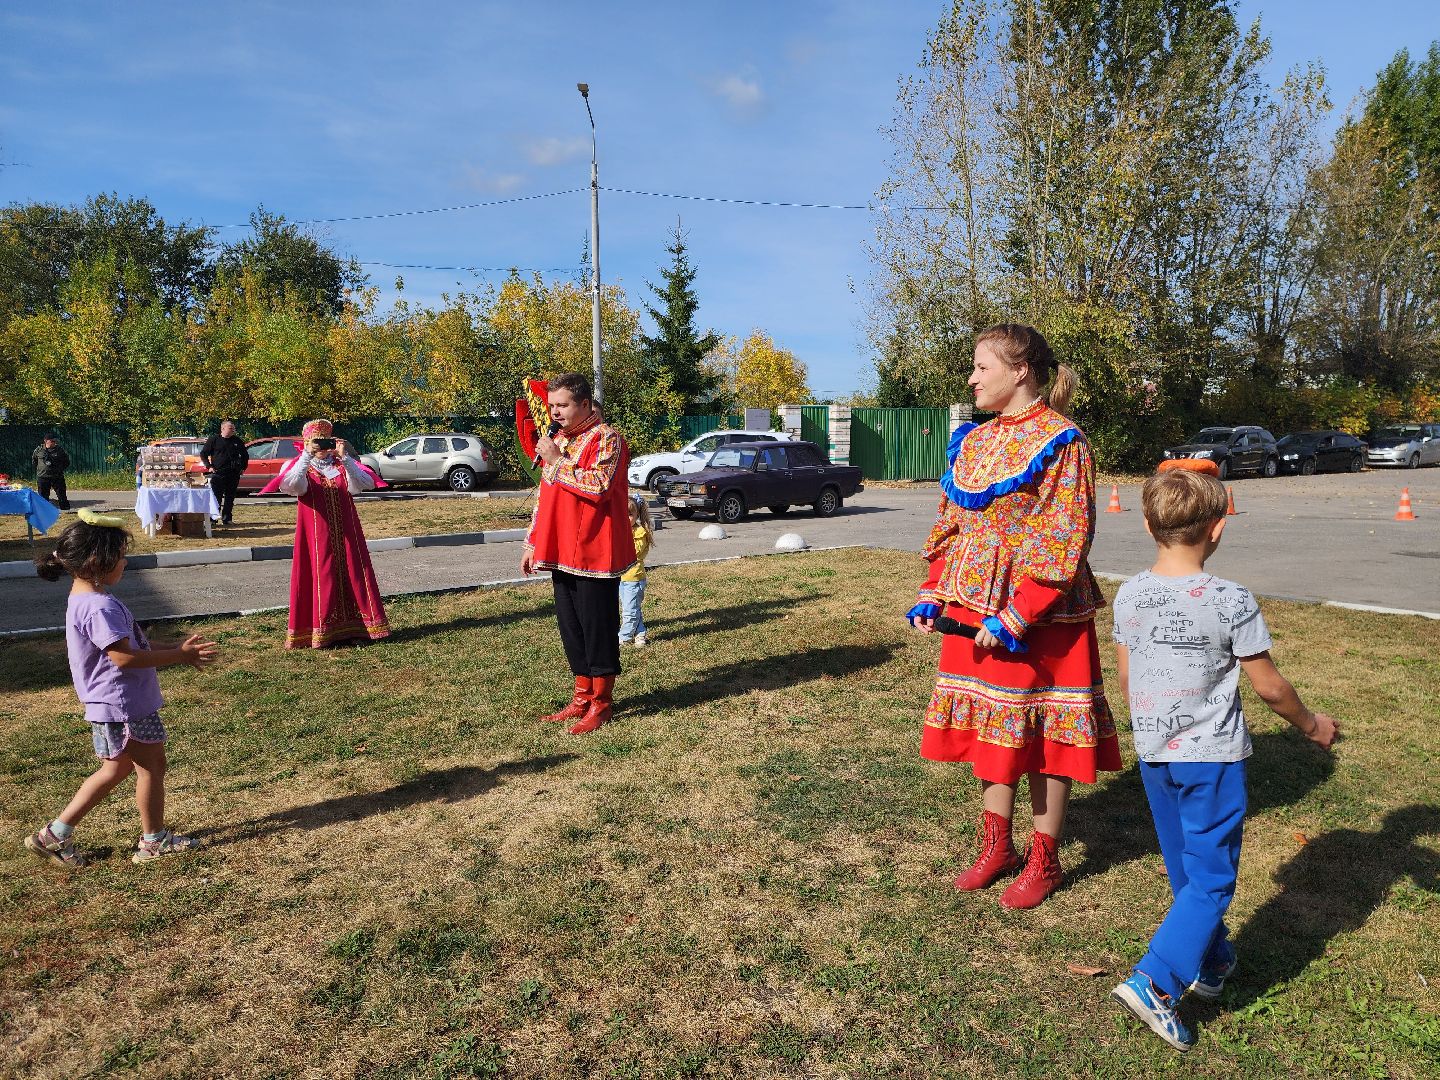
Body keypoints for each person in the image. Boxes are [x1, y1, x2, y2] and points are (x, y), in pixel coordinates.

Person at [1109, 467, 1339, 1052]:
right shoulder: (1231, 601)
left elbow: (1128, 674)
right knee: (1212, 878)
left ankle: (1211, 962)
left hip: (1154, 752)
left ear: (1147, 525)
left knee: (1187, 868)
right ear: (1218, 529)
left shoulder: (1130, 593)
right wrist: (1311, 724)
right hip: (1210, 760)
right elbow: (1270, 687)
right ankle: (1155, 981)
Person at [907, 323, 1120, 909]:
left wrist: (1019, 612)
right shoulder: (972, 441)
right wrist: (933, 590)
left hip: (1040, 617)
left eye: (981, 366)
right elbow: (950, 522)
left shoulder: (1064, 441)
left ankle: (1044, 860)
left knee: (1045, 737)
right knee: (994, 731)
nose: (972, 378)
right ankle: (995, 846)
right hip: (973, 610)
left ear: (1019, 370)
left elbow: (1065, 537)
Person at [26, 509, 218, 867]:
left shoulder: (84, 598)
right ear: (99, 561)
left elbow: (134, 646)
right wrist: (177, 655)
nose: (126, 563)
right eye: (122, 557)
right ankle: (154, 841)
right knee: (151, 766)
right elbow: (124, 659)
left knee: (115, 769)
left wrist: (177, 651)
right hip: (125, 705)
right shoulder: (99, 607)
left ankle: (54, 834)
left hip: (111, 704)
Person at [522, 373, 636, 735]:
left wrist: (556, 461)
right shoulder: (559, 439)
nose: (554, 412)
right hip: (560, 546)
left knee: (596, 625)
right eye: (551, 405)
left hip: (594, 548)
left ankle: (602, 702)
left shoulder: (607, 438)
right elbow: (545, 494)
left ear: (585, 404)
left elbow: (599, 486)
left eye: (562, 405)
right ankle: (581, 696)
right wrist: (532, 540)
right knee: (571, 626)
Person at [276, 419, 390, 648]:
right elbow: (292, 487)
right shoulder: (299, 465)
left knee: (354, 574)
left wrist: (345, 458)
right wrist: (306, 456)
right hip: (315, 536)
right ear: (307, 442)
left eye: (325, 441)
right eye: (317, 442)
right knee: (321, 576)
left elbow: (362, 485)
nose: (322, 447)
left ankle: (361, 628)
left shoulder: (341, 465)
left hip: (348, 532)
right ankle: (323, 631)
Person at [619, 495, 654, 648]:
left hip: (634, 578)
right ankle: (640, 634)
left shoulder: (639, 532)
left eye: (629, 514)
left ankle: (624, 637)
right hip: (621, 578)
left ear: (637, 515)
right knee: (632, 608)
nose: (625, 518)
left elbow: (634, 552)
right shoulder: (620, 530)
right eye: (622, 514)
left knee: (629, 611)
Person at [201, 420, 250, 525]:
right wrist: (209, 466)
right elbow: (203, 454)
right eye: (230, 428)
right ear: (223, 429)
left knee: (230, 497)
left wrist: (243, 467)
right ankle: (213, 519)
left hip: (233, 473)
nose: (233, 430)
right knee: (216, 497)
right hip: (218, 473)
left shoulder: (237, 441)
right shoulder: (214, 440)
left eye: (233, 428)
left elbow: (245, 456)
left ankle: (227, 518)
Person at [33, 432, 71, 511]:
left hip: (57, 476)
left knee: (61, 495)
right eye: (52, 441)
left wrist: (59, 470)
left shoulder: (59, 450)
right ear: (46, 441)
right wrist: (42, 469)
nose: (54, 442)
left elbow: (66, 462)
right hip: (43, 477)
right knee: (43, 496)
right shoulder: (39, 450)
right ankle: (44, 511)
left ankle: (66, 511)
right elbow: (34, 461)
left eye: (55, 441)